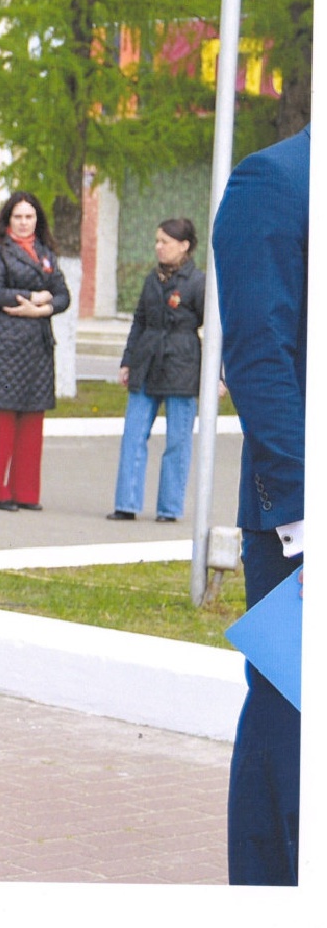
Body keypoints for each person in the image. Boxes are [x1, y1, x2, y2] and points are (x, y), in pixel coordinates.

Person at [214, 126, 307, 886]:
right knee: (294, 732)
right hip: (301, 526)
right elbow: (256, 354)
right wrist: (310, 514)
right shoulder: (273, 182)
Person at [0, 191, 70, 512]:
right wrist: (35, 295)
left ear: (37, 220)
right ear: (8, 219)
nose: (24, 222)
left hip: (37, 345)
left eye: (30, 217)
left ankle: (26, 493)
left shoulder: (46, 253)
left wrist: (41, 309)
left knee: (32, 420)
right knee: (1, 419)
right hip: (5, 345)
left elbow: (63, 295)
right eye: (18, 217)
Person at [107, 217, 205, 523]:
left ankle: (169, 508)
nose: (158, 247)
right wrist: (127, 360)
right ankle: (127, 503)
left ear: (184, 246)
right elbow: (139, 320)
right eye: (157, 241)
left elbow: (215, 329)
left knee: (177, 441)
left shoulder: (198, 282)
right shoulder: (153, 278)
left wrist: (217, 374)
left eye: (164, 241)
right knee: (133, 435)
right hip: (146, 362)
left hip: (182, 366)